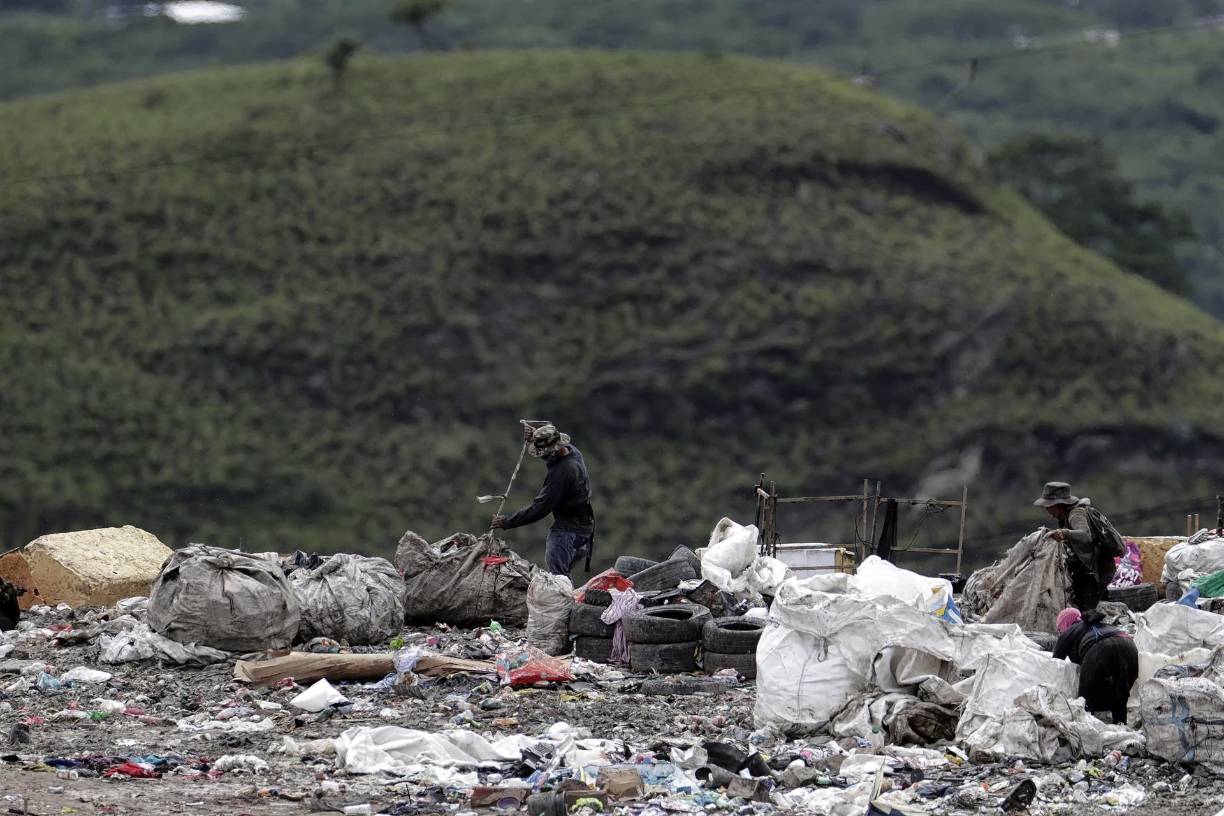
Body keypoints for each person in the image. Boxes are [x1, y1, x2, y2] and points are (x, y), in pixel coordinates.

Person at [492, 424, 594, 578]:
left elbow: (540, 508)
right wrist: (536, 435)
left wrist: (507, 522)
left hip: (568, 532)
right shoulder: (573, 452)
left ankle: (563, 602)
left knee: (558, 578)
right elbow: (551, 437)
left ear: (554, 452)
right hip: (585, 528)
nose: (543, 457)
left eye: (545, 454)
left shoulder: (562, 472)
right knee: (563, 574)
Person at [1034, 481, 1118, 611]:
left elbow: (1085, 535)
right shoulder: (1065, 516)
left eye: (1049, 506)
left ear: (1058, 504)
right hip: (1089, 567)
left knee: (1086, 610)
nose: (1047, 510)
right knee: (1083, 602)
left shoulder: (1076, 514)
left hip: (1099, 568)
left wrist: (1064, 533)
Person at [1052, 606, 1139, 724]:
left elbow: (1054, 664)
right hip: (1129, 645)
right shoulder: (1098, 624)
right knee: (1120, 690)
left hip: (1100, 648)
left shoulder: (1068, 631)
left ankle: (1087, 728)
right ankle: (1121, 726)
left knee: (1085, 699)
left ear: (1064, 624)